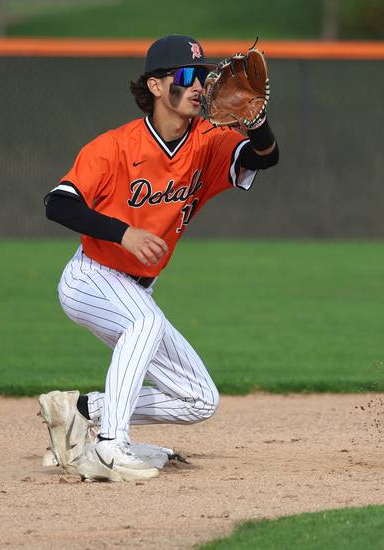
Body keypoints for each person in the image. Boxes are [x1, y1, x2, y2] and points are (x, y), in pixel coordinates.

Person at [38, 34, 279, 482]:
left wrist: (257, 120)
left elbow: (266, 157)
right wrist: (122, 232)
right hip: (91, 278)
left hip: (136, 288)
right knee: (144, 323)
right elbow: (58, 203)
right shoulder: (116, 146)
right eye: (185, 76)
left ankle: (79, 411)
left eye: (203, 77)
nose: (198, 86)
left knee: (199, 399)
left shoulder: (208, 141)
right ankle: (110, 446)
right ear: (153, 86)